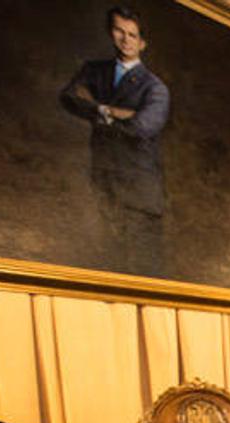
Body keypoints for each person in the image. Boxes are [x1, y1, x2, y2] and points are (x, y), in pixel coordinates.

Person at [59, 6, 171, 278]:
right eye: (120, 31)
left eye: (132, 35)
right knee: (109, 256)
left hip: (139, 189)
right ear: (112, 33)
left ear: (142, 42)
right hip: (104, 175)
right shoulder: (95, 71)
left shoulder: (154, 87)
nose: (125, 40)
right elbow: (70, 97)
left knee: (139, 266)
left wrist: (98, 108)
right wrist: (107, 110)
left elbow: (144, 126)